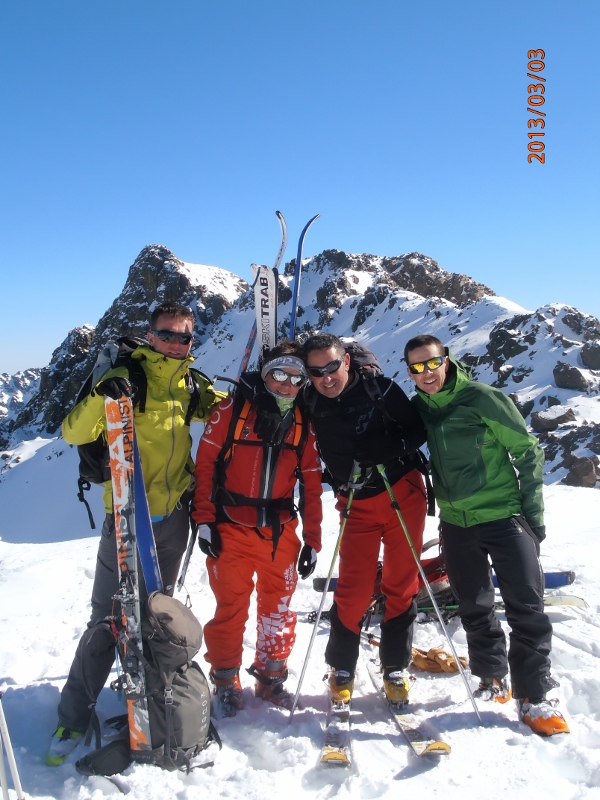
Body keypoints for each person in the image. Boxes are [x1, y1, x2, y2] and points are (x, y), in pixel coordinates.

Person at [46, 302, 225, 765]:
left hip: (174, 519)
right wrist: (101, 395)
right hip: (127, 517)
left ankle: (149, 704)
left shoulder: (190, 384)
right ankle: (73, 716)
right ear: (150, 335)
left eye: (184, 337)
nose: (175, 343)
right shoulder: (126, 376)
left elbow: (224, 412)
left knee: (156, 614)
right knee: (109, 618)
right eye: (167, 334)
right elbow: (72, 432)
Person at [404, 333, 569, 736]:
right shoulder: (419, 408)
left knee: (525, 607)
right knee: (474, 606)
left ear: (446, 359)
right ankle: (491, 677)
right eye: (417, 367)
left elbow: (527, 451)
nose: (426, 373)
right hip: (455, 523)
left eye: (432, 362)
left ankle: (534, 694)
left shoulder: (483, 399)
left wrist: (533, 516)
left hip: (503, 516)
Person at [192, 341, 322, 716]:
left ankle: (270, 679)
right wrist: (204, 520)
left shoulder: (303, 422)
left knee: (277, 610)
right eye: (278, 374)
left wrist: (312, 539)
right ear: (265, 374)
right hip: (229, 529)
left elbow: (312, 484)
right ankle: (225, 680)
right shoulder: (231, 410)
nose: (286, 384)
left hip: (280, 534)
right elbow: (205, 466)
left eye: (296, 378)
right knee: (230, 609)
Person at [301, 333, 427, 706]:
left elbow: (417, 430)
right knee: (353, 590)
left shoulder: (380, 389)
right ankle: (342, 667)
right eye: (315, 372)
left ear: (346, 361)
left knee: (401, 583)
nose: (325, 378)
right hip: (355, 502)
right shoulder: (309, 400)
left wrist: (390, 447)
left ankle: (395, 666)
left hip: (402, 494)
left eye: (331, 367)